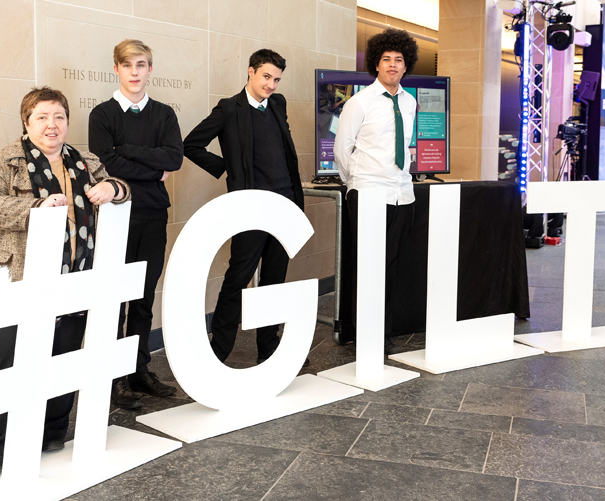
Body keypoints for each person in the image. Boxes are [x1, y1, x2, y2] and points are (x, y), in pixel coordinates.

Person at [0, 86, 130, 474]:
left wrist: (114, 188)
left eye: (58, 116)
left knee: (64, 359)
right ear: (26, 123)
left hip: (76, 278)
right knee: (9, 365)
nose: (52, 124)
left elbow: (123, 191)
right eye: (42, 117)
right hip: (15, 281)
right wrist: (36, 207)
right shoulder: (2, 161)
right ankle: (0, 450)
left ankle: (52, 433)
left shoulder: (86, 160)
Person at [183, 49, 307, 366]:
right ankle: (219, 351)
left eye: (277, 79)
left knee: (274, 281)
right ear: (250, 72)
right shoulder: (229, 109)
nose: (271, 85)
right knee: (238, 279)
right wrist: (228, 168)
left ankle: (268, 350)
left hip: (285, 207)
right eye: (266, 76)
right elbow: (191, 145)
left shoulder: (278, 105)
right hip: (251, 209)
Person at [89, 39, 182, 409]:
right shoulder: (102, 115)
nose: (134, 72)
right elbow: (104, 165)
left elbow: (173, 159)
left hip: (153, 215)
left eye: (141, 65)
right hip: (117, 217)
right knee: (117, 300)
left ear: (149, 70)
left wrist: (127, 151)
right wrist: (151, 167)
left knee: (143, 299)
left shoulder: (164, 114)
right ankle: (114, 379)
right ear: (116, 69)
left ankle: (138, 370)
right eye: (127, 66)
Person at [333, 28, 419, 355]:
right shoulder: (359, 102)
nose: (393, 65)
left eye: (399, 60)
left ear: (406, 65)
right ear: (376, 64)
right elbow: (342, 150)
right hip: (369, 194)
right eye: (387, 60)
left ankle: (381, 332)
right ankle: (362, 332)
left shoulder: (410, 102)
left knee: (391, 267)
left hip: (402, 195)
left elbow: (404, 147)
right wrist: (356, 182)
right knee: (366, 267)